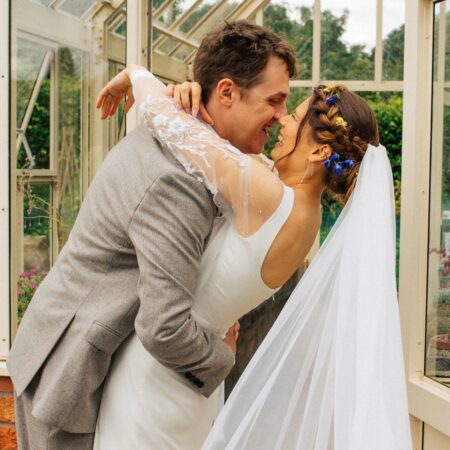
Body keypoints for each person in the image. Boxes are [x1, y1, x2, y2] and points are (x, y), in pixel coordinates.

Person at [7, 21, 296, 450]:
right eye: (273, 100)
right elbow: (164, 326)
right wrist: (222, 359)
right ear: (227, 92)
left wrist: (146, 81)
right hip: (70, 374)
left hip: (106, 364)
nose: (281, 116)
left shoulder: (187, 136)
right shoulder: (177, 181)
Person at [94, 58, 411, 448]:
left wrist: (138, 75)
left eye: (293, 117)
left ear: (317, 153)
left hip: (158, 374)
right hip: (197, 380)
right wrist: (185, 95)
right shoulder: (303, 216)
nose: (282, 121)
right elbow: (216, 144)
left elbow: (174, 128)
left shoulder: (267, 194)